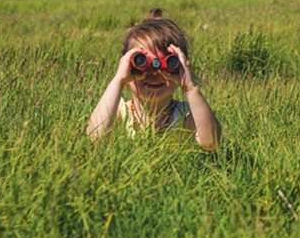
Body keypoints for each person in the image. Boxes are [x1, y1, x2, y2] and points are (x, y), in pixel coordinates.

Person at [86, 8, 222, 150]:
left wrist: (190, 87)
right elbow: (96, 137)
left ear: (180, 68)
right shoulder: (120, 112)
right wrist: (119, 80)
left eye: (167, 64)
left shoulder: (185, 114)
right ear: (127, 65)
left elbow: (211, 142)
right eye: (142, 63)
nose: (155, 73)